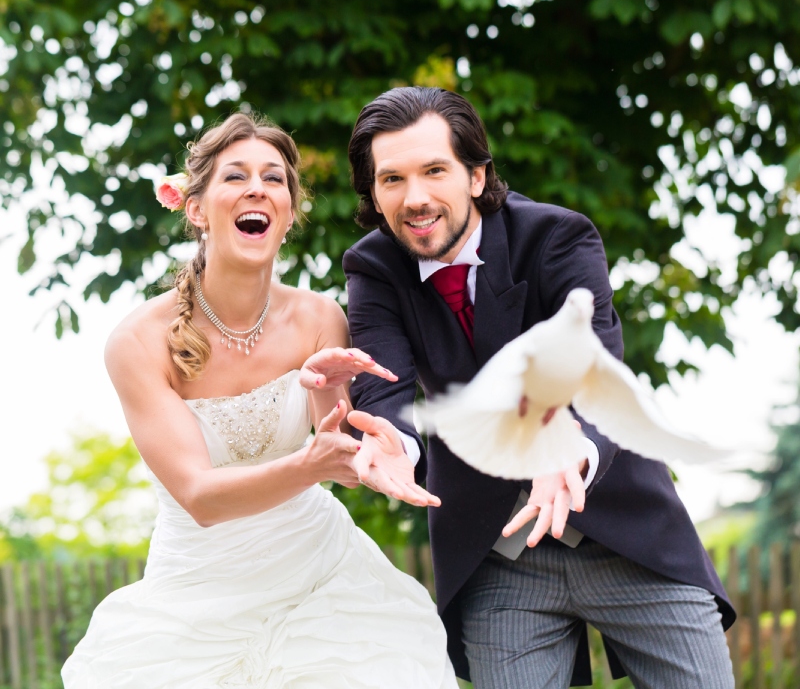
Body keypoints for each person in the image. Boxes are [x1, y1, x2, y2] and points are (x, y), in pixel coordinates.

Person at [343, 86, 736, 688]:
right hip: (499, 554)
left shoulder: (557, 237)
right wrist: (396, 442)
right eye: (391, 179)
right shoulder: (372, 267)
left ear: (476, 175)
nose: (414, 198)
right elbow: (383, 389)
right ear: (373, 190)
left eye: (434, 171)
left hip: (625, 532)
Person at [62, 112, 458, 689]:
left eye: (274, 179)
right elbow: (199, 496)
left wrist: (341, 412)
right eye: (235, 177)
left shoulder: (321, 317)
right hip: (197, 592)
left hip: (321, 577)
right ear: (196, 208)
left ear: (289, 212)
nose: (258, 189)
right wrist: (310, 464)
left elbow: (340, 452)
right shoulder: (138, 342)